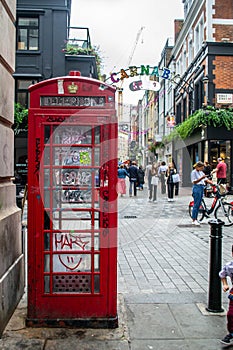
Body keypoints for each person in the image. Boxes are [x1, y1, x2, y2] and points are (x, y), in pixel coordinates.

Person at [190, 161, 213, 225]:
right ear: (197, 167)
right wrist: (201, 178)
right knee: (196, 204)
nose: (202, 169)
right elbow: (194, 182)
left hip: (202, 187)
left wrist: (212, 183)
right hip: (197, 187)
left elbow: (205, 179)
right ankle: (194, 219)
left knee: (199, 203)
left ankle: (197, 218)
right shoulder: (193, 172)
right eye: (201, 168)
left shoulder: (201, 172)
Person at [219, 245, 233, 345]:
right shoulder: (230, 266)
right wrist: (225, 284)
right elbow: (222, 274)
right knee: (231, 314)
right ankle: (231, 333)